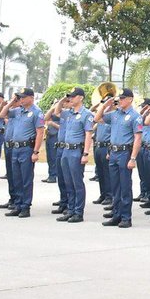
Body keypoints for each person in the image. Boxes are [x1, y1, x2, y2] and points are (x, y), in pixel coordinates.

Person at [97, 89, 142, 228]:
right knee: (115, 186)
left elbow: (138, 138)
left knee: (125, 186)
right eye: (119, 98)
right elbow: (97, 119)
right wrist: (104, 106)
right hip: (114, 152)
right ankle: (116, 215)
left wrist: (133, 158)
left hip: (125, 153)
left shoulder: (135, 116)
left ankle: (126, 217)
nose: (120, 101)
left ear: (130, 99)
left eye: (123, 98)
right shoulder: (115, 114)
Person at [51, 87, 91, 223]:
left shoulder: (86, 114)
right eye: (70, 97)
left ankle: (78, 212)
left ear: (81, 98)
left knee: (77, 182)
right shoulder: (69, 113)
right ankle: (70, 210)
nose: (71, 99)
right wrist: (63, 99)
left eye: (73, 96)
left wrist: (85, 153)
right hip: (66, 150)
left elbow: (88, 134)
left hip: (76, 151)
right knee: (68, 182)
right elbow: (56, 112)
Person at [3, 88, 41, 218]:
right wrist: (12, 101)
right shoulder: (18, 111)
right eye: (20, 97)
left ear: (31, 98)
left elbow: (40, 132)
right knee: (16, 178)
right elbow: (2, 114)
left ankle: (25, 207)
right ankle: (18, 205)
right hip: (15, 148)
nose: (22, 99)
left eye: (24, 97)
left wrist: (36, 151)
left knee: (26, 179)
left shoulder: (36, 112)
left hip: (27, 148)